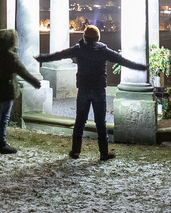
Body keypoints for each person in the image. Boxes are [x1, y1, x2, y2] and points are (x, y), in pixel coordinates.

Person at [35, 25, 147, 162]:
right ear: (98, 37)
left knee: (80, 121)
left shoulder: (78, 49)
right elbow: (121, 60)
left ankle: (76, 151)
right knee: (101, 122)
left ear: (84, 36)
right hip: (99, 89)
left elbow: (59, 55)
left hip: (83, 88)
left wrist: (42, 58)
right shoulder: (103, 50)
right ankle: (104, 153)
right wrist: (140, 67)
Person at [0, 28, 41, 154]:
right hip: (7, 90)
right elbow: (23, 72)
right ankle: (2, 143)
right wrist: (35, 82)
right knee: (4, 117)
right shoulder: (11, 57)